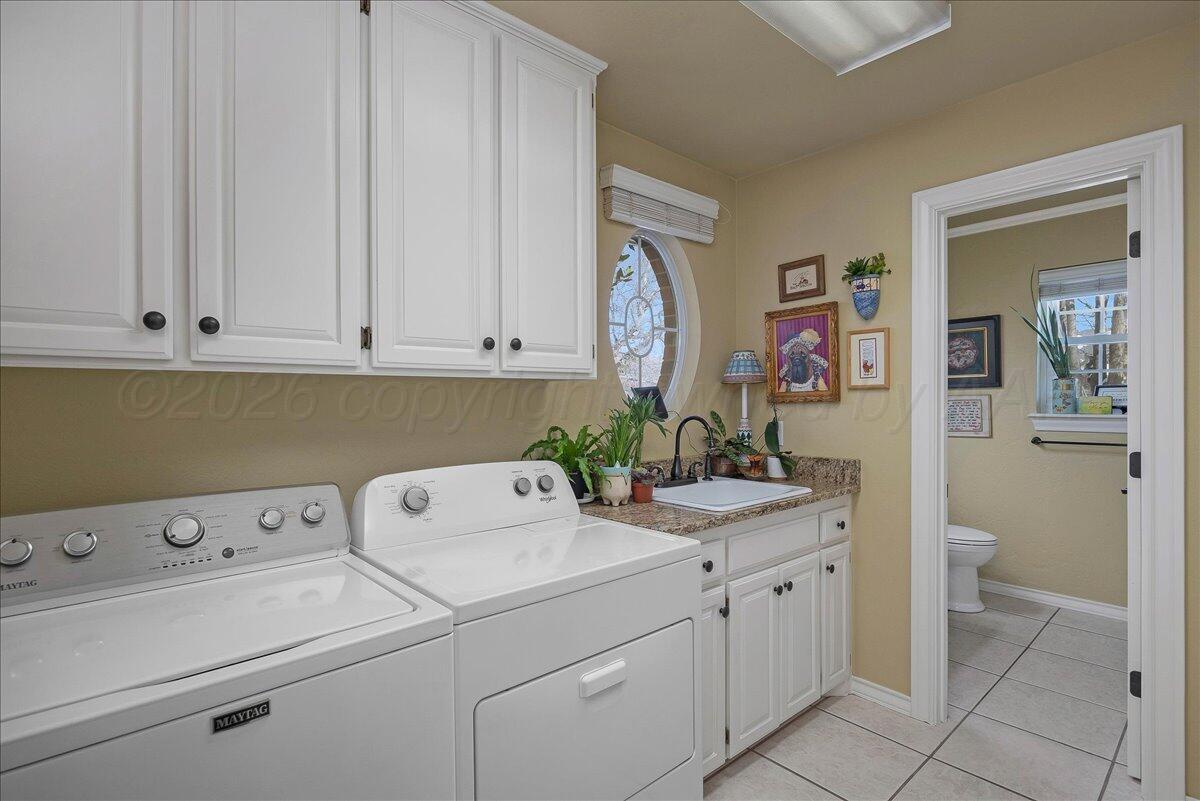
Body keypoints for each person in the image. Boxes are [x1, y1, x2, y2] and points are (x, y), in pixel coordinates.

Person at [778, 328, 829, 392]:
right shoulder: (787, 378)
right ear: (788, 361)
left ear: (810, 358)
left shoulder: (816, 376)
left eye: (803, 355)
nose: (797, 361)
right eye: (792, 355)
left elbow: (825, 394)